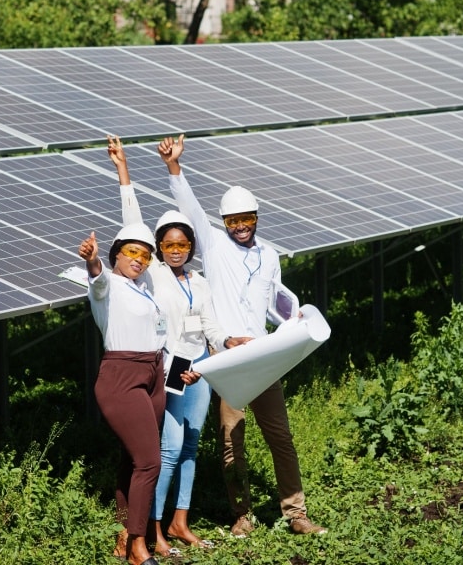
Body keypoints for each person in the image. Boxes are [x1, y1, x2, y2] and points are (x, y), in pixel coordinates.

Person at [156, 133, 327, 537]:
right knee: (232, 441)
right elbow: (190, 209)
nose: (241, 227)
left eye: (247, 219)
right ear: (225, 223)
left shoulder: (269, 256)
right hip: (227, 357)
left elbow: (274, 303)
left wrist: (294, 315)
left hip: (264, 357)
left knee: (280, 437)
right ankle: (241, 515)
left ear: (256, 218)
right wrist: (174, 167)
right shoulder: (214, 246)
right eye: (234, 221)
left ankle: (296, 512)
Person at [107, 135, 227, 555]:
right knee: (169, 449)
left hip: (201, 368)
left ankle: (180, 522)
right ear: (159, 248)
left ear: (192, 246)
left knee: (192, 445)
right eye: (168, 244)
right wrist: (124, 169)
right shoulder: (153, 274)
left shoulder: (200, 282)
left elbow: (212, 327)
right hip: (169, 368)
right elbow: (132, 218)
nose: (176, 250)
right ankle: (151, 531)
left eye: (183, 244)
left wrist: (221, 354)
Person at [79, 222, 171, 565]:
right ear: (116, 253)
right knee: (150, 462)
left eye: (146, 255)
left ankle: (122, 535)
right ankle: (137, 546)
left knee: (133, 460)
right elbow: (98, 280)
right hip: (123, 375)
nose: (139, 259)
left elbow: (159, 332)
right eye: (132, 252)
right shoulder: (109, 287)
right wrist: (93, 261)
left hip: (154, 373)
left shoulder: (142, 289)